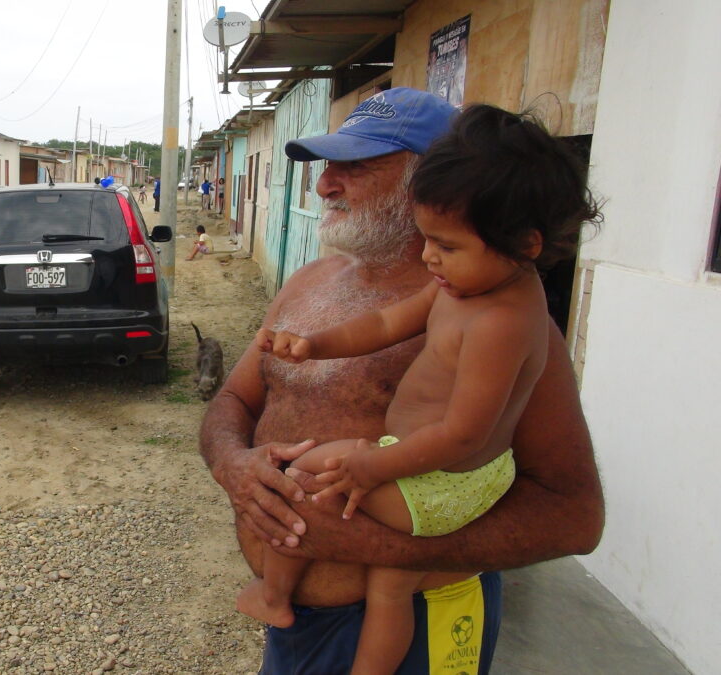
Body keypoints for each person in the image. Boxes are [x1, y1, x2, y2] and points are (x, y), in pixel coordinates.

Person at [199, 88, 604, 674]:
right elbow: (235, 398)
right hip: (300, 629)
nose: (324, 186)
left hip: (413, 624)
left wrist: (373, 546)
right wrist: (233, 467)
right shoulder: (310, 283)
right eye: (327, 165)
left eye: (355, 167)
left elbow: (574, 517)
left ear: (435, 183)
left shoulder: (502, 324)